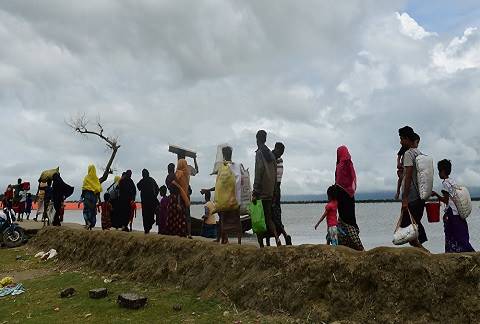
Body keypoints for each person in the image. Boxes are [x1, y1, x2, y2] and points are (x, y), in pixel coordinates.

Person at [201, 146, 242, 244]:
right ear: (231, 154)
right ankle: (233, 240)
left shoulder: (223, 168)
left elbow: (219, 186)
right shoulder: (236, 166)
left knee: (222, 219)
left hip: (224, 201)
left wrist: (209, 190)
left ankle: (222, 239)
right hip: (235, 200)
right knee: (236, 220)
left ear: (223, 155)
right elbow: (241, 182)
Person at [432, 160, 475, 253]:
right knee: (461, 234)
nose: (439, 173)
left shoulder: (445, 184)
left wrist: (435, 194)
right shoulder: (452, 181)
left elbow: (446, 200)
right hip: (458, 212)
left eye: (439, 171)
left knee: (451, 234)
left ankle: (452, 252)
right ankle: (468, 251)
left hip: (451, 214)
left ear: (443, 171)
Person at [398, 126, 428, 251]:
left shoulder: (409, 153)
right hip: (420, 197)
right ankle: (424, 252)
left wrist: (404, 198)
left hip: (412, 197)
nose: (400, 142)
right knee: (413, 228)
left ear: (406, 138)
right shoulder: (419, 153)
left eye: (401, 139)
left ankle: (426, 254)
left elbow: (409, 175)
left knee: (408, 229)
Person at [253, 130, 281, 247]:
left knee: (258, 217)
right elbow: (275, 174)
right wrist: (274, 191)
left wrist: (255, 191)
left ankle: (261, 245)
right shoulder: (270, 154)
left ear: (257, 139)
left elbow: (258, 171)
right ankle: (277, 239)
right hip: (270, 191)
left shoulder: (259, 153)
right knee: (269, 218)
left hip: (261, 191)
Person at [335, 145, 364, 251]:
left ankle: (358, 246)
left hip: (342, 196)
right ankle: (350, 245)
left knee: (345, 219)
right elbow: (352, 180)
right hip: (350, 196)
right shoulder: (349, 164)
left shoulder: (340, 165)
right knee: (350, 218)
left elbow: (337, 182)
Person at [271, 142, 292, 245]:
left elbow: (276, 179)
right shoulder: (275, 158)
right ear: (276, 148)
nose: (281, 154)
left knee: (273, 215)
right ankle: (283, 236)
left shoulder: (275, 159)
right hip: (276, 189)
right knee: (275, 215)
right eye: (280, 152)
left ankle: (280, 237)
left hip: (274, 190)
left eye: (282, 153)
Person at [165, 162, 188, 237]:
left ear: (168, 169)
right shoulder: (176, 176)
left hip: (172, 197)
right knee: (179, 215)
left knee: (171, 215)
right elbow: (178, 190)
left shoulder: (168, 177)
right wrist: (178, 202)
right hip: (177, 197)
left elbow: (172, 188)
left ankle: (171, 231)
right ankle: (180, 232)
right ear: (173, 169)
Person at [395, 133, 420, 200]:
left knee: (405, 177)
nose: (417, 145)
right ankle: (398, 192)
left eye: (418, 143)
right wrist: (398, 163)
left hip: (408, 166)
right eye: (417, 142)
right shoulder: (404, 147)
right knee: (401, 178)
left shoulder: (415, 153)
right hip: (403, 165)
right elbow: (399, 156)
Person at [137, 169, 160, 234]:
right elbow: (157, 189)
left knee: (145, 215)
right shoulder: (151, 180)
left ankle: (147, 229)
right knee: (150, 214)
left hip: (145, 202)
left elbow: (138, 186)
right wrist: (155, 195)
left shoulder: (143, 181)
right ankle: (148, 228)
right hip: (151, 201)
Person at [79, 165, 102, 230]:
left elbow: (84, 189)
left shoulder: (86, 178)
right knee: (92, 211)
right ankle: (91, 225)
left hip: (87, 196)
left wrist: (81, 198)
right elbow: (98, 189)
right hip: (94, 197)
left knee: (86, 211)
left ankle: (88, 222)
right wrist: (99, 200)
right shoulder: (96, 179)